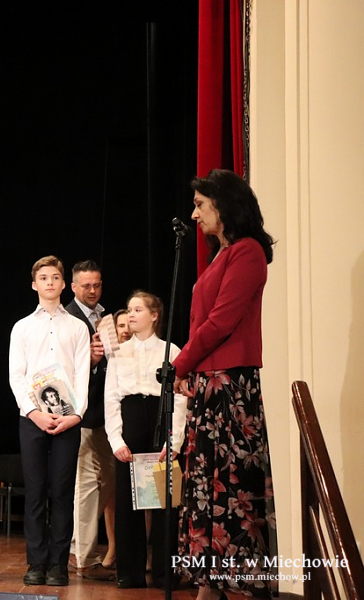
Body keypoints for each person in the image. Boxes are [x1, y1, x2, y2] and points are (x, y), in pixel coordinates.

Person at [172, 169, 277, 600]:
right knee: (205, 485)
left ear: (224, 204)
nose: (194, 214)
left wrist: (180, 364)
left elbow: (221, 321)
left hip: (230, 387)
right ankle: (207, 587)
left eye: (201, 204)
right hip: (211, 384)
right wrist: (191, 372)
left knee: (230, 486)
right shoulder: (223, 253)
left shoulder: (247, 252)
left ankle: (234, 584)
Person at [9, 256, 90, 586]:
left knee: (62, 492)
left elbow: (82, 375)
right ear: (34, 284)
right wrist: (35, 413)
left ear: (64, 283)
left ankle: (58, 564)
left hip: (68, 420)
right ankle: (36, 562)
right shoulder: (22, 327)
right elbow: (16, 375)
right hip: (33, 419)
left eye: (55, 277)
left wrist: (76, 416)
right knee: (35, 492)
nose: (50, 282)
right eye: (43, 278)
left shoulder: (78, 327)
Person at [104, 291, 188, 589]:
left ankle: (165, 573)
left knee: (165, 500)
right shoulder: (119, 353)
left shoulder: (171, 350)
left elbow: (179, 399)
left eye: (138, 309)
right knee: (128, 501)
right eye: (129, 310)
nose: (131, 315)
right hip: (131, 421)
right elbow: (111, 398)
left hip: (160, 418)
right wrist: (116, 439)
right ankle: (130, 572)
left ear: (154, 315)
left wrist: (174, 440)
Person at [64, 260, 116, 580]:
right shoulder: (68, 319)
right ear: (73, 287)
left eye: (97, 285)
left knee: (107, 482)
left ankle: (76, 545)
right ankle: (84, 557)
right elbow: (63, 371)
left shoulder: (106, 318)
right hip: (83, 415)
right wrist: (92, 362)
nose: (93, 290)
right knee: (86, 486)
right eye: (86, 286)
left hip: (107, 415)